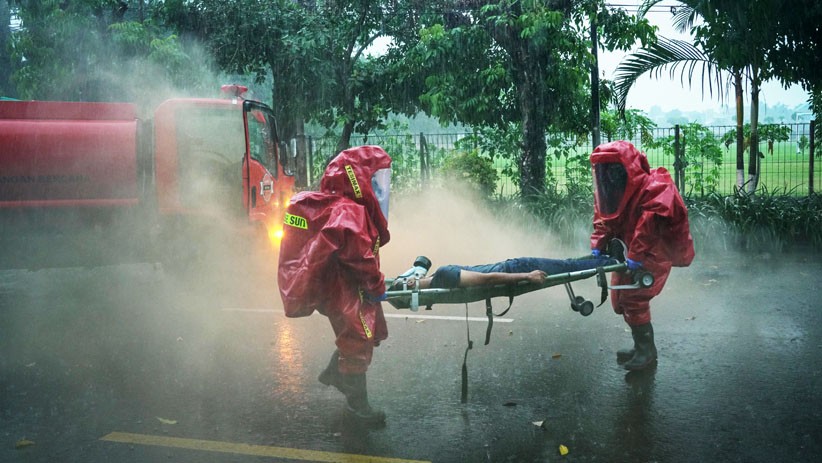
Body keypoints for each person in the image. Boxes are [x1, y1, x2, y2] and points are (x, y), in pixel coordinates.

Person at [278, 145, 392, 424]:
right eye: (374, 180)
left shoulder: (333, 206)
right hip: (347, 290)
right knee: (359, 336)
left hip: (336, 289)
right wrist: (377, 286)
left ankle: (335, 373)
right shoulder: (349, 212)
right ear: (358, 179)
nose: (380, 189)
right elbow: (361, 258)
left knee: (359, 332)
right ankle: (357, 406)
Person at [589, 140, 695, 371]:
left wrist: (635, 255)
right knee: (620, 301)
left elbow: (647, 229)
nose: (610, 176)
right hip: (632, 250)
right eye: (607, 170)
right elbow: (605, 220)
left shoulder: (656, 187)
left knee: (634, 298)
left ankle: (646, 352)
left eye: (615, 170)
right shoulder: (612, 191)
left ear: (629, 168)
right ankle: (641, 346)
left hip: (653, 251)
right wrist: (598, 244)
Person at [396, 251, 622, 290]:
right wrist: (527, 275)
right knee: (567, 266)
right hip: (516, 268)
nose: (416, 275)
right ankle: (612, 260)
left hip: (513, 266)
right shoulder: (445, 275)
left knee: (565, 265)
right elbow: (487, 279)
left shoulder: (439, 278)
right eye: (410, 279)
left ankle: (602, 258)